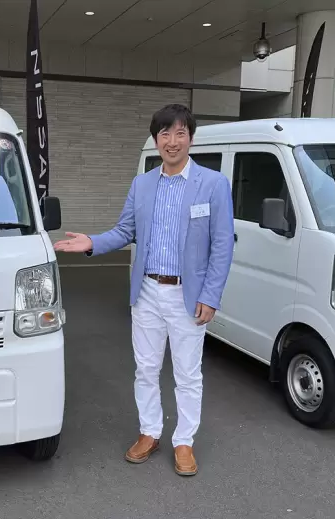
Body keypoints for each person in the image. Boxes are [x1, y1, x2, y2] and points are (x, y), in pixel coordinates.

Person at [53, 104, 234, 476]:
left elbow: (222, 246)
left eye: (180, 133)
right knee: (146, 368)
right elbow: (125, 231)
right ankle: (150, 431)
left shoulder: (213, 184)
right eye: (165, 134)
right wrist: (92, 243)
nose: (172, 141)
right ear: (156, 140)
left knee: (188, 373)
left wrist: (210, 296)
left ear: (191, 139)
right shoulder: (143, 184)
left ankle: (184, 441)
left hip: (188, 296)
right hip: (148, 292)